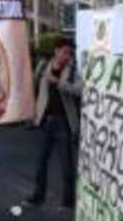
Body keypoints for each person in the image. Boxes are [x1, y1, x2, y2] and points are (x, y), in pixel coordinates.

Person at [25, 38, 81, 208]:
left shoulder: (72, 70)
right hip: (46, 120)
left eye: (70, 53)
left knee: (67, 164)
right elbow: (32, 86)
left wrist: (58, 83)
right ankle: (38, 195)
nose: (67, 56)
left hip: (64, 122)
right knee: (41, 161)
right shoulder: (43, 66)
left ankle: (68, 200)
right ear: (56, 50)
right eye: (65, 51)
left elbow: (80, 90)